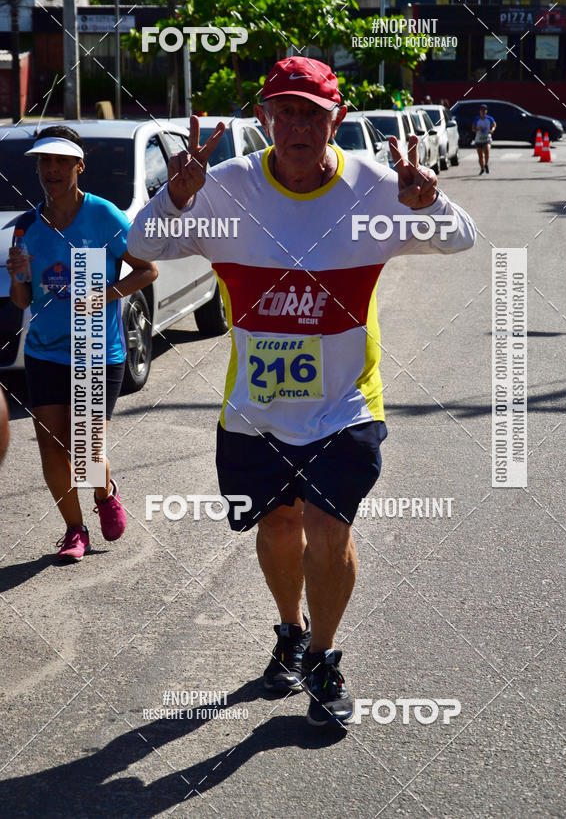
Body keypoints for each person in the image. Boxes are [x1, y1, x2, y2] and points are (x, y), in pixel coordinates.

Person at [127, 57, 476, 727]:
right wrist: (175, 197)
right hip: (255, 413)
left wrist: (429, 201)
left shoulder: (376, 186)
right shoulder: (223, 188)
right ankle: (290, 630)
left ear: (336, 120)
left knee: (326, 523)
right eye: (285, 111)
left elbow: (459, 239)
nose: (298, 126)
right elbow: (144, 243)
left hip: (346, 404)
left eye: (312, 113)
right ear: (264, 119)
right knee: (279, 524)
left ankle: (323, 657)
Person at [7, 126, 158, 562]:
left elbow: (146, 270)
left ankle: (105, 492)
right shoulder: (27, 227)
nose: (51, 170)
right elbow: (21, 300)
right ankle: (75, 530)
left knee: (87, 450)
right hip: (45, 350)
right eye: (43, 162)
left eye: (60, 162)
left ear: (79, 167)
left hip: (96, 349)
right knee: (52, 446)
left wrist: (104, 295)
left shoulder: (105, 216)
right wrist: (19, 275)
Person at [472, 104, 496, 174]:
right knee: (480, 156)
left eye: (484, 110)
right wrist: (477, 129)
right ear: (479, 111)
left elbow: (494, 124)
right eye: (482, 110)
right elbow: (473, 129)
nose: (483, 112)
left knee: (487, 152)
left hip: (487, 139)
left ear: (486, 111)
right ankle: (482, 168)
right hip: (479, 139)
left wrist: (492, 130)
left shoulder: (489, 118)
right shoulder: (477, 119)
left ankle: (486, 164)